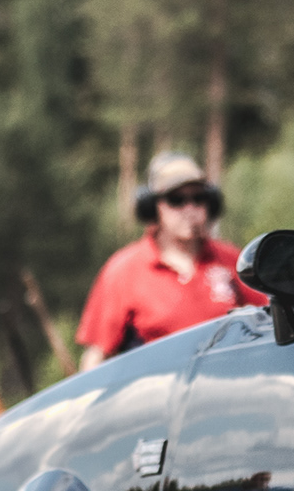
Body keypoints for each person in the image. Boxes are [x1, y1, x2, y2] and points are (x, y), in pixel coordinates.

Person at [73, 151, 263, 367]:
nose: (189, 209)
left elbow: (270, 319)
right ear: (153, 207)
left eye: (198, 198)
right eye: (176, 200)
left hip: (230, 379)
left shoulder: (232, 259)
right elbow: (96, 356)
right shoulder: (123, 270)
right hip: (158, 385)